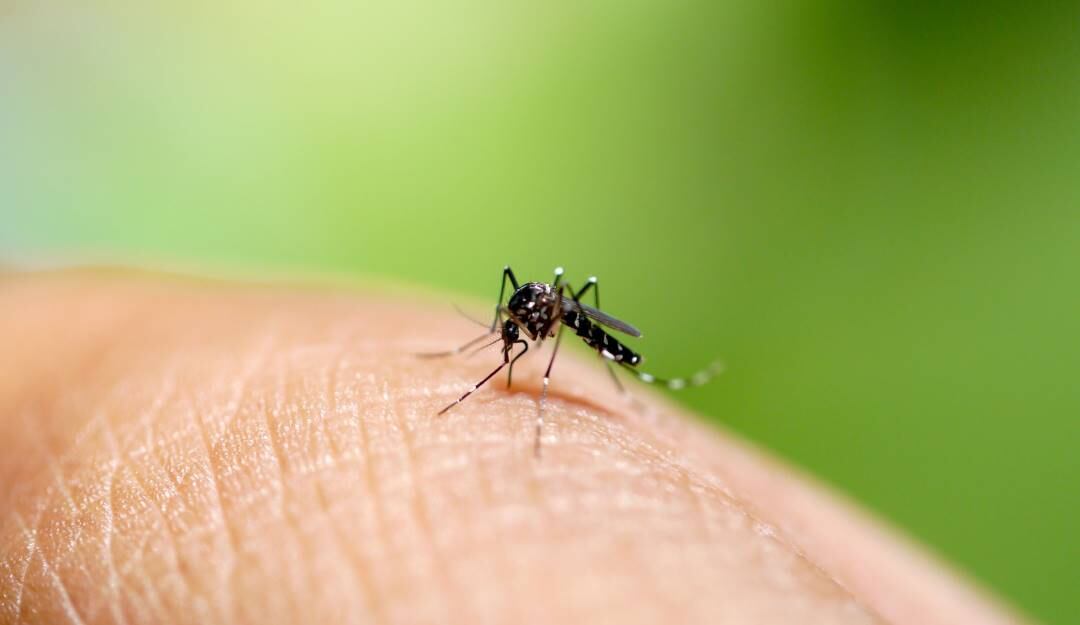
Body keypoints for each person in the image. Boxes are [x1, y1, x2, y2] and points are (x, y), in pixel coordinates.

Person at [0, 270, 1026, 624]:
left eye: (511, 329)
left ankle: (638, 388)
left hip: (584, 327)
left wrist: (539, 366)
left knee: (573, 333)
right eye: (512, 331)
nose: (517, 330)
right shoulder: (520, 311)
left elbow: (548, 312)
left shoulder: (553, 319)